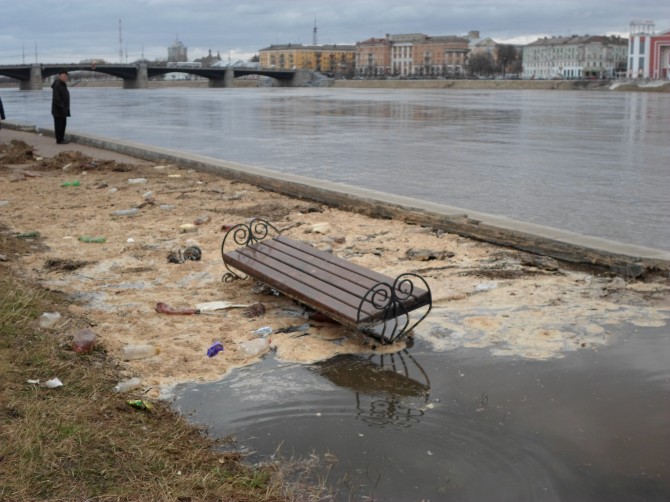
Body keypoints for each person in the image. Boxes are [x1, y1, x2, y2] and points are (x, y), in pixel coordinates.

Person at [51, 70, 71, 144]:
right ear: (60, 76)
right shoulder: (58, 85)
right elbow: (56, 98)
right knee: (59, 125)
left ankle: (62, 138)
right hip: (58, 110)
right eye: (64, 76)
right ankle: (59, 140)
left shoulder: (62, 84)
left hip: (63, 110)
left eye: (66, 76)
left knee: (63, 125)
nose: (65, 77)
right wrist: (63, 107)